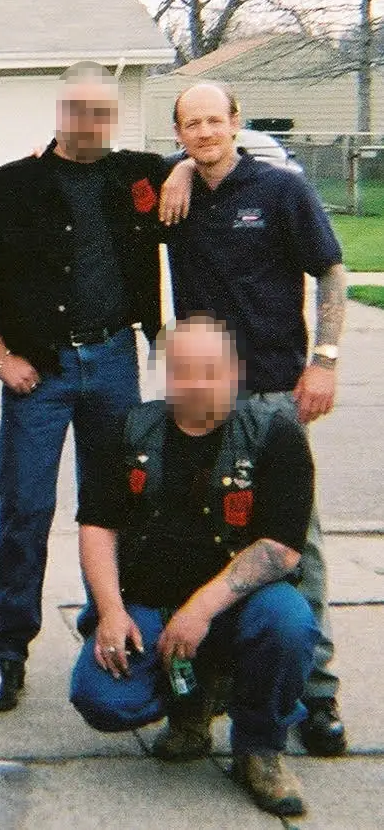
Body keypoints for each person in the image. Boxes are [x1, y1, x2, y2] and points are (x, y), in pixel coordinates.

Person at [0, 62, 193, 711]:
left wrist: (181, 166)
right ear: (61, 110)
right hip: (37, 366)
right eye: (80, 109)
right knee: (24, 506)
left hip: (113, 358)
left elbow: (205, 163)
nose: (91, 121)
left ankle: (108, 616)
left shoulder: (138, 175)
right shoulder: (14, 186)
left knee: (120, 504)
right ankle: (10, 646)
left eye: (103, 110)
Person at [69, 315, 319, 817]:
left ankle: (260, 748)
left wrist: (201, 609)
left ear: (236, 372)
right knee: (100, 697)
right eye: (183, 368)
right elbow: (97, 526)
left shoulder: (275, 434)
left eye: (212, 367)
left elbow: (283, 549)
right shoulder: (128, 429)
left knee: (290, 621)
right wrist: (111, 613)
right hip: (149, 603)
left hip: (240, 607)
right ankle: (191, 707)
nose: (198, 380)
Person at [166, 83, 349, 756]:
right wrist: (179, 171)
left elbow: (331, 271)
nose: (206, 132)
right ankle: (209, 687)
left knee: (294, 543)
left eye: (217, 120)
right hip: (200, 402)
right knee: (201, 540)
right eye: (193, 124)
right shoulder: (173, 194)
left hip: (273, 394)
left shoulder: (281, 191)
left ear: (235, 123)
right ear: (179, 133)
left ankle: (318, 695)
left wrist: (324, 359)